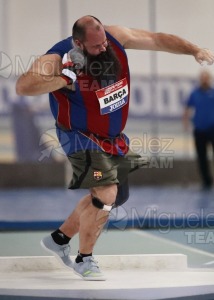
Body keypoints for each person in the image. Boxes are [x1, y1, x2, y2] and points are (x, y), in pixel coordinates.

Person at [16, 15, 214, 281]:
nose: (103, 48)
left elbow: (157, 40)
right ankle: (84, 259)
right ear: (78, 43)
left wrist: (194, 49)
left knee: (116, 196)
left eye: (104, 42)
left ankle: (59, 238)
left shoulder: (115, 39)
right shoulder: (58, 57)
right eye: (96, 46)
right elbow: (24, 86)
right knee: (107, 193)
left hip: (111, 137)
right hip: (79, 136)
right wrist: (65, 78)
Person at [183, 70, 214, 190]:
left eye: (206, 78)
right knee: (202, 157)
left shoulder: (213, 92)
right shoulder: (194, 93)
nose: (204, 80)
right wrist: (185, 122)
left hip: (212, 128)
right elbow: (187, 108)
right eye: (203, 78)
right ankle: (206, 181)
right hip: (199, 130)